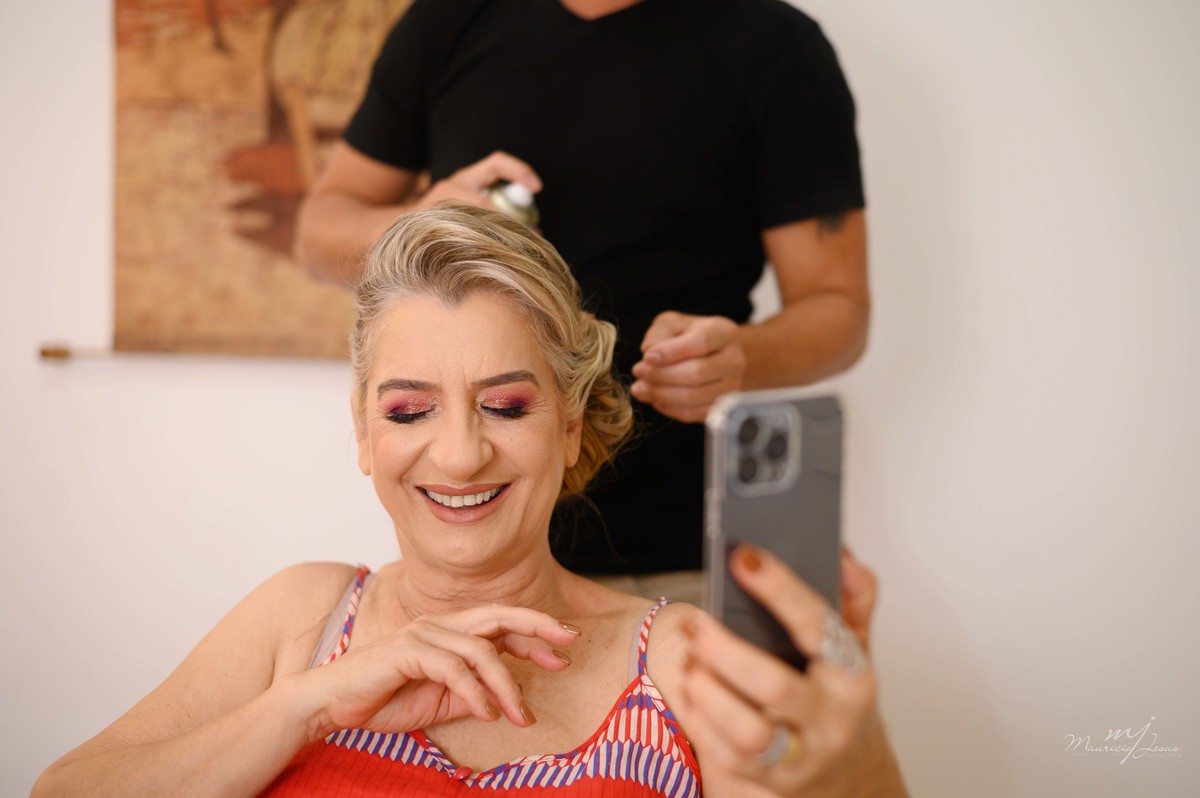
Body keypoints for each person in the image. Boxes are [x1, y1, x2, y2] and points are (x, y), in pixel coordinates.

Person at [35, 205, 903, 797]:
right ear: (364, 431)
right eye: (409, 410)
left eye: (507, 406)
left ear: (570, 427)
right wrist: (309, 706)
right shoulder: (303, 621)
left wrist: (858, 765)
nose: (458, 454)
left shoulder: (678, 662)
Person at [292, 0, 870, 594]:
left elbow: (839, 308)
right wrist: (427, 216)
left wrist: (744, 357)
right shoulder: (448, 22)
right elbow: (316, 233)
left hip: (692, 546)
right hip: (481, 548)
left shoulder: (774, 45)